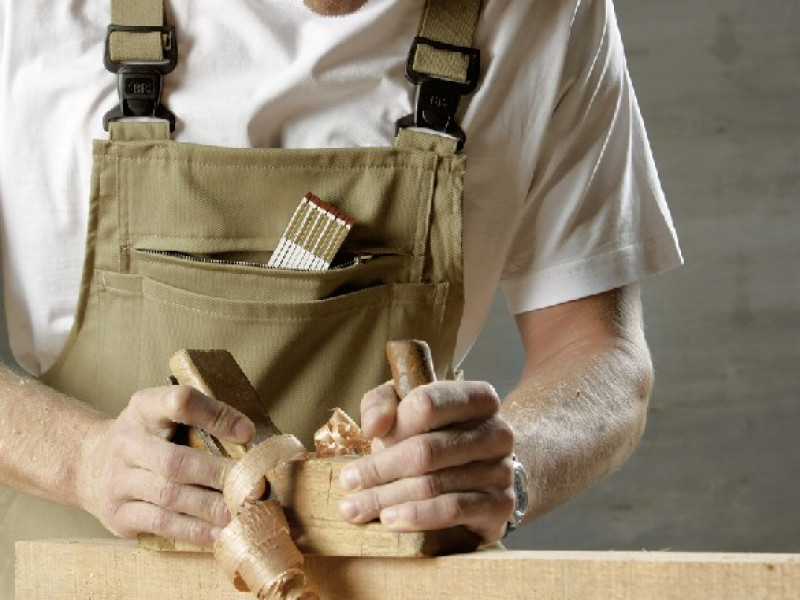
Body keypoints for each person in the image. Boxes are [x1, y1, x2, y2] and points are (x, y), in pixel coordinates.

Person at [0, 0, 682, 596]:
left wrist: (510, 465)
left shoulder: (546, 13)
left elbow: (601, 354)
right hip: (78, 580)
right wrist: (82, 460)